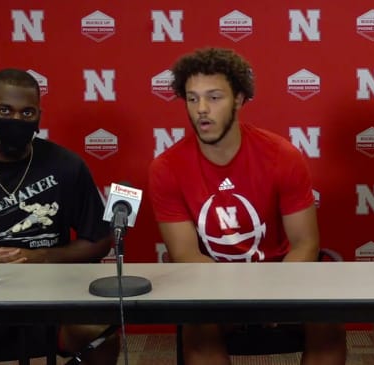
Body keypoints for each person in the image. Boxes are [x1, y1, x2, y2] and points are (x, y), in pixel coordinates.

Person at [148, 47, 347, 364]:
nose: (201, 109)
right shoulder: (166, 167)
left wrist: (272, 295)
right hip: (210, 285)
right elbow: (185, 254)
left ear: (239, 99)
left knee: (327, 324)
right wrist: (234, 297)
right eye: (192, 98)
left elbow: (305, 242)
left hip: (282, 278)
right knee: (199, 331)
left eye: (214, 97)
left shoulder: (281, 155)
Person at [0, 68, 120, 364]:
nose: (16, 120)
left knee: (100, 334)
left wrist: (40, 256)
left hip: (51, 299)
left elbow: (98, 241)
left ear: (39, 116)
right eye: (5, 110)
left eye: (27, 112)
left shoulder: (66, 166)